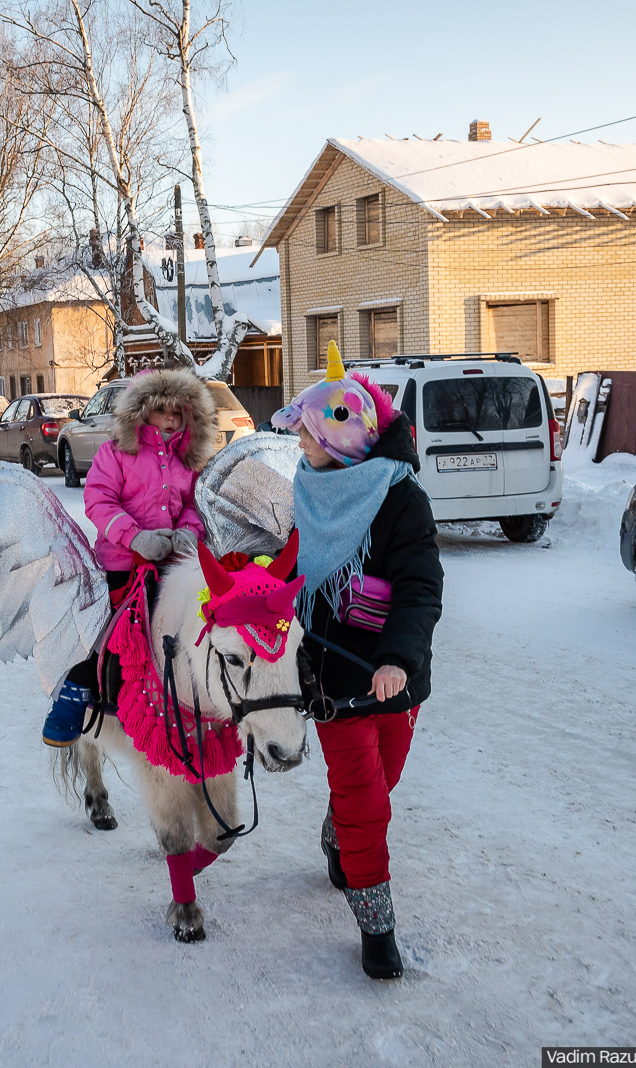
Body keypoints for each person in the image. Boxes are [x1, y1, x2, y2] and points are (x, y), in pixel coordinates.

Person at [268, 342, 443, 982]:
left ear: (341, 440)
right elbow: (291, 563)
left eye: (310, 435)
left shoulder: (400, 499)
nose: (301, 448)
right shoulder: (309, 490)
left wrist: (398, 658)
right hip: (332, 677)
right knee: (365, 796)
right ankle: (377, 927)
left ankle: (342, 831)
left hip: (395, 677)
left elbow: (421, 586)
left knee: (382, 781)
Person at [41, 369, 214, 747]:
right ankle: (73, 698)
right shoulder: (116, 453)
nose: (171, 418)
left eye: (179, 411)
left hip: (172, 565)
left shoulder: (190, 458)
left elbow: (194, 505)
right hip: (120, 562)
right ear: (141, 411)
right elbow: (99, 500)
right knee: (103, 631)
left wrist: (188, 532)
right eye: (162, 410)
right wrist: (135, 537)